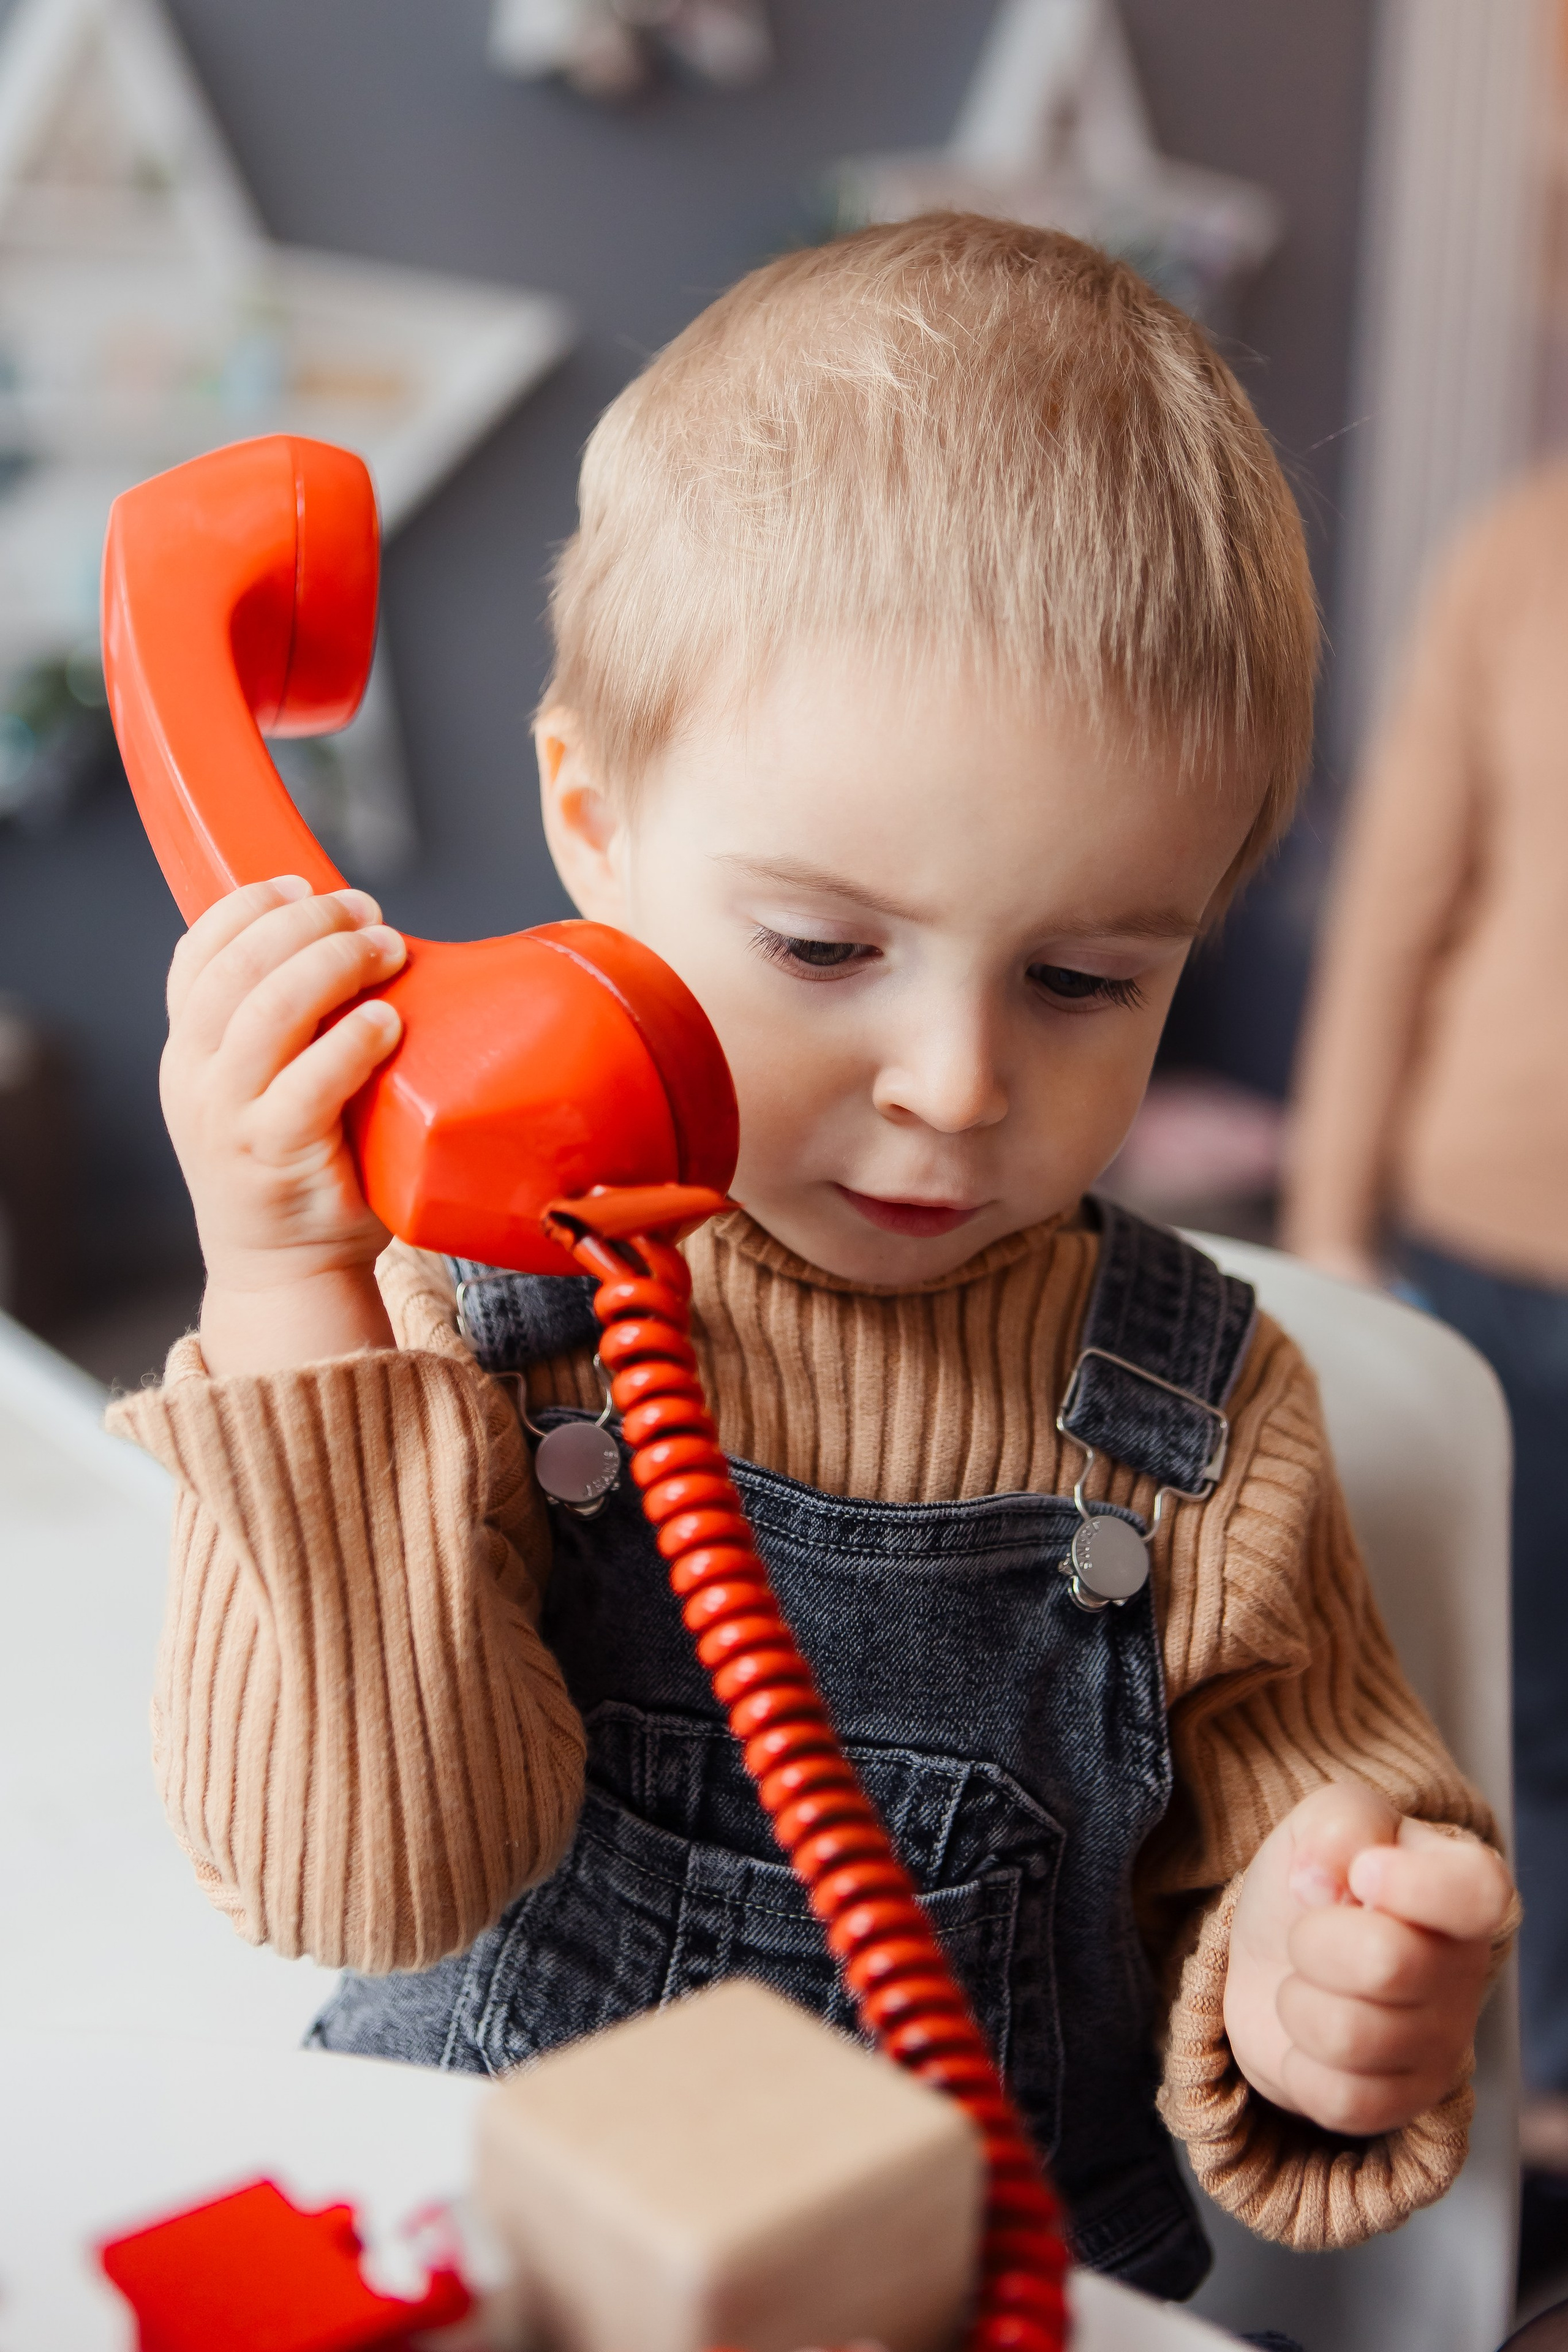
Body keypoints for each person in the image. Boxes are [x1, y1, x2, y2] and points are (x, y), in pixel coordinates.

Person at [111, 217, 1513, 2297]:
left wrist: (1327, 1985)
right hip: (525, 2269)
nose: (953, 1081)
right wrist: (296, 1296)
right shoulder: (467, 1334)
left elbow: (1319, 1851)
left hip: (963, 2294)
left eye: (1081, 976)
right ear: (591, 821)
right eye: (825, 948)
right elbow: (367, 1886)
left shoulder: (1205, 1430)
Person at [1285, 462, 1568, 2180]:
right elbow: (1389, 914)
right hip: (1490, 1251)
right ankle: (1528, 2108)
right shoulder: (1519, 557)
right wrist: (1326, 1225)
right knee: (1511, 1704)